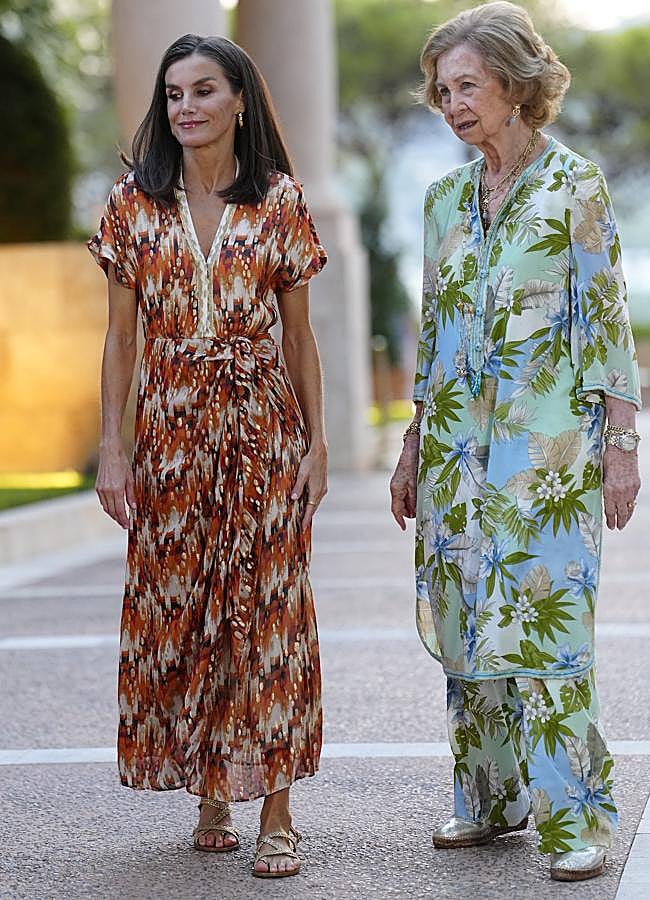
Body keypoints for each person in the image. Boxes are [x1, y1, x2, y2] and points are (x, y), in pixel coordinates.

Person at [390, 1, 641, 883]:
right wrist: (413, 442)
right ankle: (491, 800)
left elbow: (605, 318)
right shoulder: (443, 201)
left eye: (469, 85)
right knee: (467, 633)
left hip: (551, 458)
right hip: (457, 453)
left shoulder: (575, 184)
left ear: (516, 85)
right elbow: (434, 331)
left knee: (545, 635)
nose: (452, 103)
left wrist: (623, 446)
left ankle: (577, 817)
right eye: (441, 89)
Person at [89, 34, 328, 879]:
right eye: (173, 93)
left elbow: (299, 338)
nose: (184, 107)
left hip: (262, 425)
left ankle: (279, 814)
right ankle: (212, 789)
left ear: (238, 101)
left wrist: (317, 443)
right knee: (186, 606)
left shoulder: (281, 201)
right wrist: (112, 445)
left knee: (267, 610)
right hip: (170, 430)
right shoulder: (133, 203)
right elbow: (121, 337)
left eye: (202, 90)